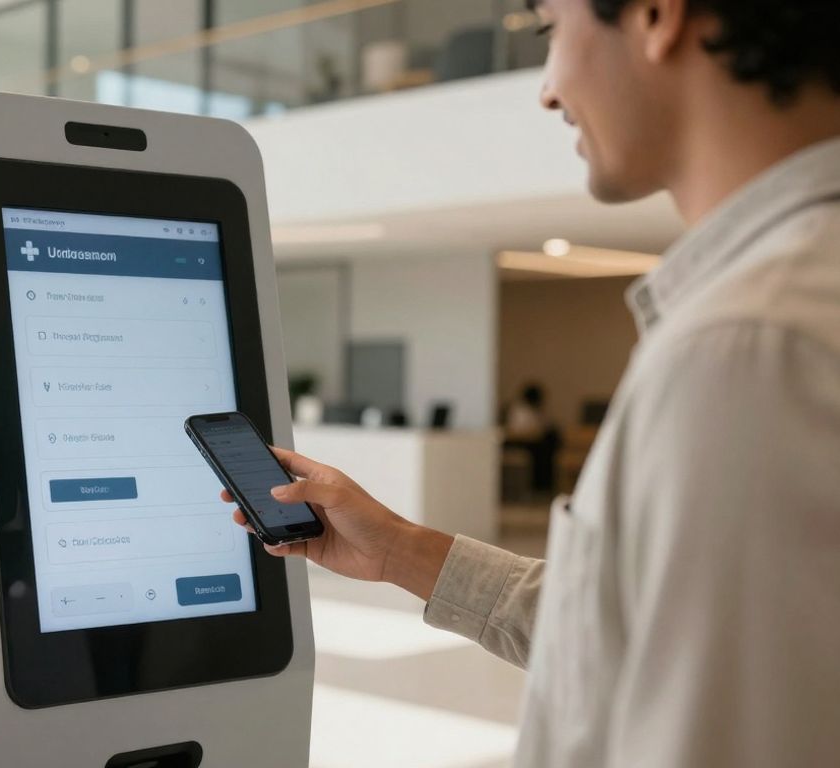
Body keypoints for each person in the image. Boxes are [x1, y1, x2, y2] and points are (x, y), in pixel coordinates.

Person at [228, 1, 840, 765]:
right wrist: (401, 553)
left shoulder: (748, 350)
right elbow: (630, 636)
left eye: (551, 32)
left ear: (657, 15)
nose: (548, 90)